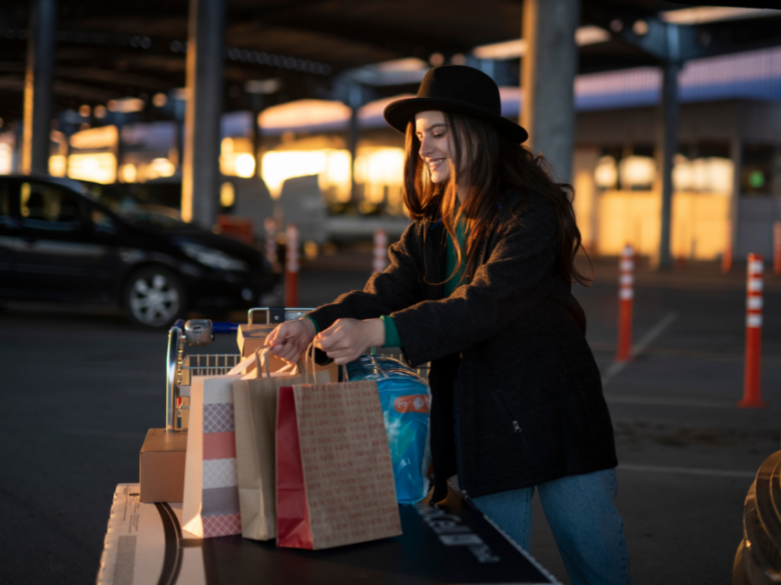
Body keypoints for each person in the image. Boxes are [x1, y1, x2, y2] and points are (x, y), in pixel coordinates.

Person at [265, 65, 631, 585]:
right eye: (419, 138)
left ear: (476, 134)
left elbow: (484, 304)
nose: (425, 149)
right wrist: (314, 323)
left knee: (595, 560)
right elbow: (388, 288)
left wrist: (378, 333)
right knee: (492, 569)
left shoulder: (530, 214)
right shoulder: (435, 224)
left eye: (438, 133)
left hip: (555, 410)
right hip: (483, 420)